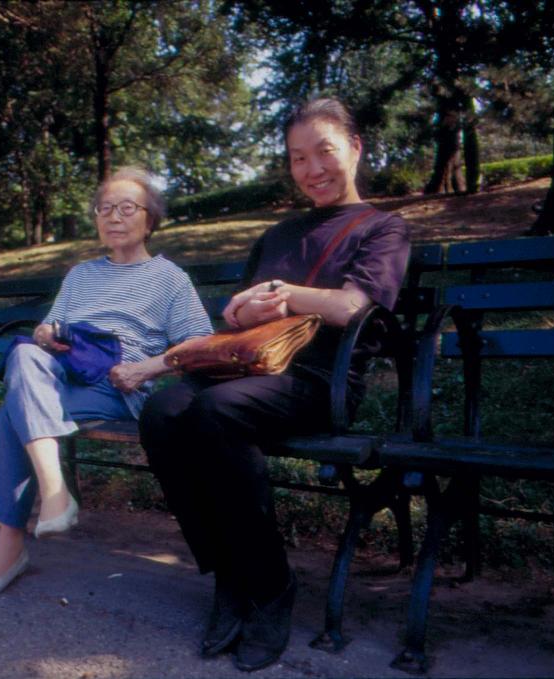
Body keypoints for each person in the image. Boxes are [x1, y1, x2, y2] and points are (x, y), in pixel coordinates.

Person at [138, 97, 411, 672]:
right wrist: (241, 311)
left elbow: (352, 306)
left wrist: (283, 294)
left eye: (325, 153)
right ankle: (230, 576)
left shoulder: (382, 228)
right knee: (162, 411)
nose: (312, 169)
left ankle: (271, 585)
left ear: (356, 149)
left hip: (319, 381)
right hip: (249, 371)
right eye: (297, 159)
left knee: (214, 413)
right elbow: (238, 316)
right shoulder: (278, 233)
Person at [0, 167, 212, 603]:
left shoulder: (169, 278)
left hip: (118, 382)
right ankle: (55, 492)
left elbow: (199, 344)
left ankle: (9, 546)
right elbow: (48, 326)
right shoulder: (80, 275)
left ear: (150, 219)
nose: (113, 216)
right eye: (105, 209)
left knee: (12, 413)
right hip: (64, 371)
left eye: (127, 208)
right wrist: (44, 334)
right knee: (23, 353)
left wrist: (145, 369)